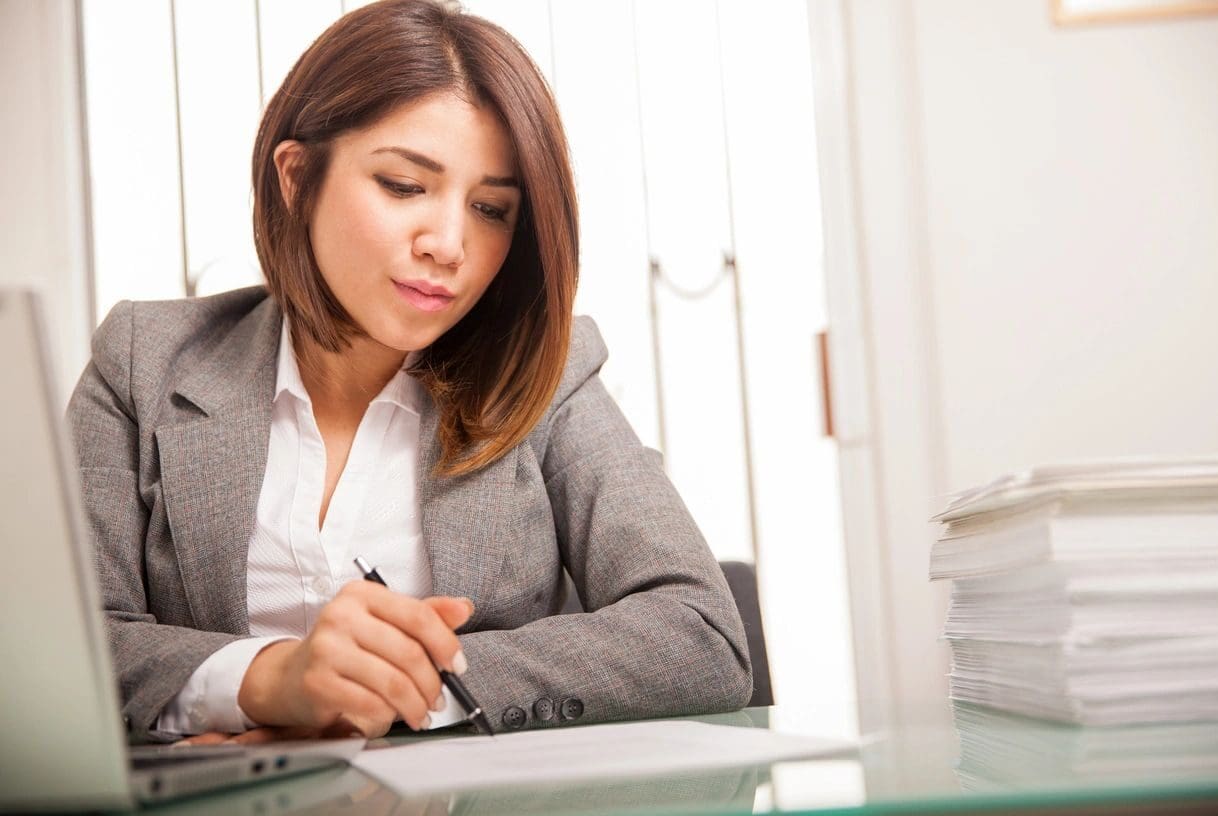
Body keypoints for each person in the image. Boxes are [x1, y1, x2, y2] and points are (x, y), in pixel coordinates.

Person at [68, 0, 751, 744]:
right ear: (297, 180)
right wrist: (270, 680)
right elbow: (57, 644)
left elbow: (700, 634)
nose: (450, 243)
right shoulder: (142, 360)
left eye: (491, 208)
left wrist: (403, 695)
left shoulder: (546, 378)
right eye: (403, 185)